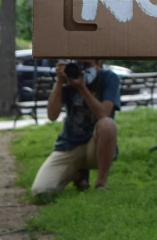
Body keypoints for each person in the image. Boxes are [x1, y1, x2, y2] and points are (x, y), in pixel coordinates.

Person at [31, 60, 120, 197]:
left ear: (99, 63)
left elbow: (103, 114)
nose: (82, 70)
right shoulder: (68, 78)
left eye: (87, 65)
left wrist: (82, 88)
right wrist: (60, 82)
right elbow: (52, 115)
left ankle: (101, 184)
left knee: (107, 124)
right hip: (69, 145)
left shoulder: (109, 78)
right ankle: (78, 175)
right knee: (41, 193)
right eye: (79, 64)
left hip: (96, 147)